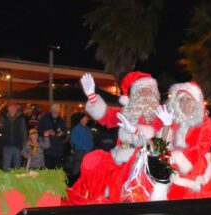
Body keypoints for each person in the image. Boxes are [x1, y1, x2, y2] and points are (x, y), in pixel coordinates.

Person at [66, 71, 163, 204]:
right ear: (134, 95)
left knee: (122, 189)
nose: (145, 95)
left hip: (142, 162)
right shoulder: (126, 111)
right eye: (141, 91)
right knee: (92, 160)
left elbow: (159, 141)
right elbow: (106, 116)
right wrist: (92, 96)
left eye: (148, 91)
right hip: (118, 156)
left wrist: (135, 130)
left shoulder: (159, 115)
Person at [150, 82, 211, 200]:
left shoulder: (206, 122)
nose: (185, 103)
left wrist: (175, 158)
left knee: (179, 191)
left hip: (194, 162)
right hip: (171, 162)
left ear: (196, 102)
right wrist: (166, 125)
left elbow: (200, 148)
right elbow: (160, 148)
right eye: (182, 100)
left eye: (189, 99)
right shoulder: (174, 121)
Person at [37, 103, 67, 169]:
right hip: (47, 148)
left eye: (58, 109)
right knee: (46, 168)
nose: (57, 110)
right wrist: (46, 132)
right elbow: (39, 130)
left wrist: (62, 133)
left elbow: (65, 132)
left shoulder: (61, 120)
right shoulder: (44, 118)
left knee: (56, 169)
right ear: (51, 110)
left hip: (58, 149)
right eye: (55, 108)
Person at [0, 103, 27, 171]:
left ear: (16, 109)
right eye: (11, 107)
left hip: (18, 147)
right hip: (7, 146)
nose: (12, 109)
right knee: (6, 167)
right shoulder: (3, 118)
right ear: (8, 109)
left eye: (14, 107)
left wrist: (24, 145)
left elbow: (24, 133)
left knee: (17, 168)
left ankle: (16, 181)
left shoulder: (21, 119)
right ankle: (6, 181)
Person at [69, 112, 93, 177]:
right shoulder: (76, 128)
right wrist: (82, 147)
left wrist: (91, 146)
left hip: (88, 151)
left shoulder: (88, 129)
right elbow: (73, 141)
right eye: (86, 117)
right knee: (77, 168)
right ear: (81, 119)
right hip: (80, 152)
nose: (87, 119)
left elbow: (90, 139)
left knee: (86, 169)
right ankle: (73, 181)